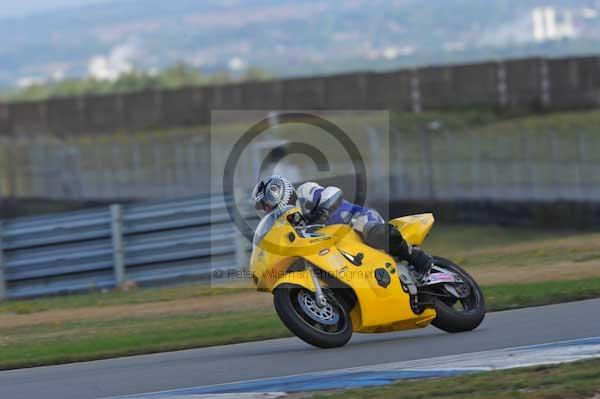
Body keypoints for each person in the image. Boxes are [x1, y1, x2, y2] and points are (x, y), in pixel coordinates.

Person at [250, 175, 433, 280]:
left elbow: (333, 193)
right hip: (335, 246)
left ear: (276, 192)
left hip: (354, 222)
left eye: (266, 204)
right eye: (263, 209)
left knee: (372, 231)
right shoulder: (287, 224)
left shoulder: (304, 192)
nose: (266, 210)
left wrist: (322, 211)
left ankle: (417, 258)